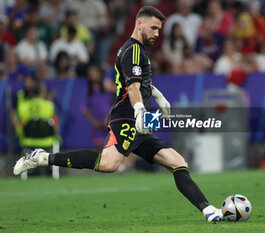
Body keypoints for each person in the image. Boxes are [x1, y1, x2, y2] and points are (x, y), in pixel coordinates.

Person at [13, 6, 224, 222]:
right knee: (107, 164)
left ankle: (209, 211)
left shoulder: (138, 50)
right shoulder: (132, 50)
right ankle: (41, 157)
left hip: (136, 120)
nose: (157, 34)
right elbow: (132, 88)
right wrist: (140, 110)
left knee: (177, 162)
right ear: (139, 24)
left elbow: (139, 83)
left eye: (159, 29)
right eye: (153, 28)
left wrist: (159, 96)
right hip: (127, 117)